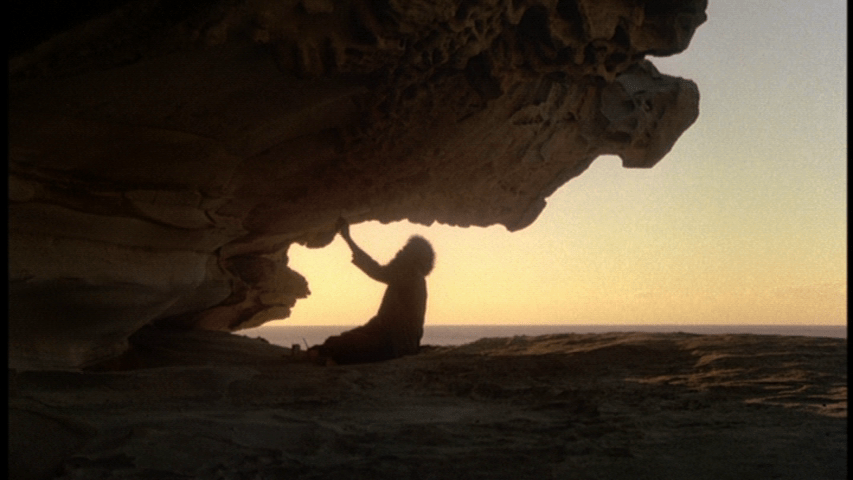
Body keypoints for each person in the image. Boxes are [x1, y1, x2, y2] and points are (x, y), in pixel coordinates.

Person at [308, 218, 435, 365]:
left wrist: (348, 239)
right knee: (342, 340)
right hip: (396, 342)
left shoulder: (411, 276)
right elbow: (382, 320)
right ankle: (323, 355)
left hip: (395, 345)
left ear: (412, 256)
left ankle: (327, 359)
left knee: (347, 345)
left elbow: (378, 271)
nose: (400, 252)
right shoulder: (409, 278)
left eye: (405, 250)